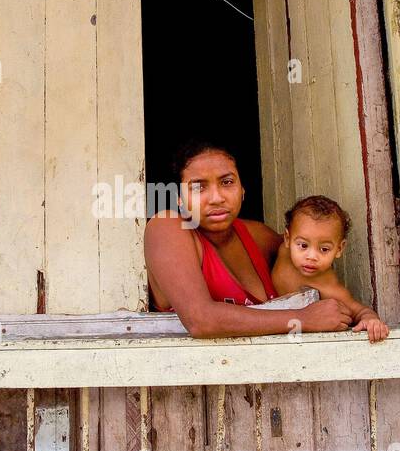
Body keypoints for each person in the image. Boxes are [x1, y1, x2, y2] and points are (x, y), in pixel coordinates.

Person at [144, 139, 356, 339]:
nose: (217, 198)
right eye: (199, 187)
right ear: (180, 198)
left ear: (242, 189)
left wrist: (361, 313)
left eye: (227, 182)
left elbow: (322, 283)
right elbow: (201, 320)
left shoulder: (259, 236)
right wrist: (302, 319)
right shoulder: (167, 227)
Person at [272, 194, 390, 343]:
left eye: (324, 249)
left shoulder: (329, 288)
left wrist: (370, 319)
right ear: (287, 238)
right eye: (303, 245)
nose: (311, 256)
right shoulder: (283, 250)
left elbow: (359, 310)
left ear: (339, 249)